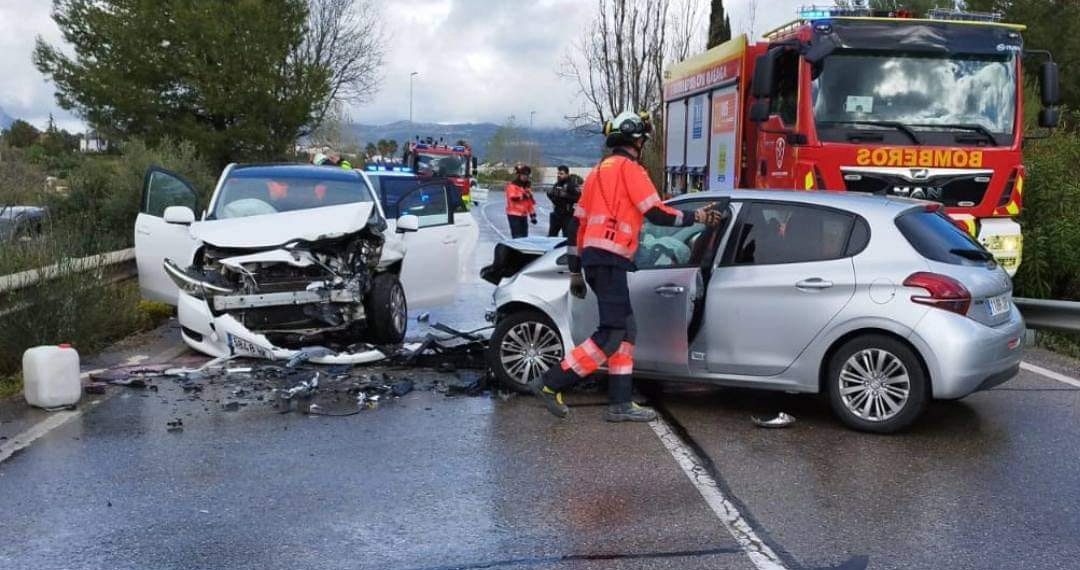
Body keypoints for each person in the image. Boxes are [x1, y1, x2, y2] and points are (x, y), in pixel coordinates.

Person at [528, 110, 724, 422]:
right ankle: (552, 382)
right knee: (611, 334)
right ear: (637, 140)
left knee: (627, 330)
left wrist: (577, 270)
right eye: (644, 139)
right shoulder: (632, 170)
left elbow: (575, 225)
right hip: (610, 260)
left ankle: (620, 403)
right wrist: (697, 217)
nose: (644, 143)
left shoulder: (596, 173)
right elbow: (657, 214)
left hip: (597, 261)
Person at [547, 165, 580, 238]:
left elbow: (579, 198)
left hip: (567, 215)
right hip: (556, 214)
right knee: (551, 236)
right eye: (558, 173)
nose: (559, 175)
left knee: (567, 237)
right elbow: (554, 198)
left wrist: (565, 195)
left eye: (561, 174)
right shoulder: (557, 184)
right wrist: (550, 195)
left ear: (567, 174)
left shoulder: (572, 185)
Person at [505, 164, 537, 238]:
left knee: (524, 237)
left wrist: (532, 215)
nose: (525, 177)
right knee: (517, 237)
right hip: (514, 215)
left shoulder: (526, 187)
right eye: (524, 175)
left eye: (527, 175)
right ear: (520, 175)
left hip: (523, 215)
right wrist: (524, 196)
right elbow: (512, 197)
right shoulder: (512, 185)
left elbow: (529, 202)